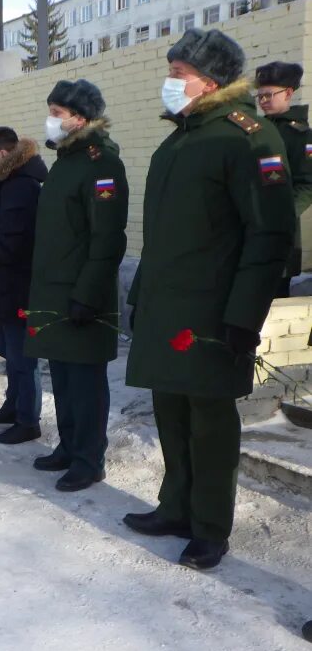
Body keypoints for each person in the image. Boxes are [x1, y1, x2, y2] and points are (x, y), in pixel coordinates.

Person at [124, 29, 295, 570]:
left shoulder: (248, 137)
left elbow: (269, 236)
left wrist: (245, 315)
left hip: (213, 312)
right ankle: (175, 507)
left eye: (178, 74)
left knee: (211, 423)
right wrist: (142, 293)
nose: (168, 83)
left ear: (211, 81)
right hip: (168, 306)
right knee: (170, 411)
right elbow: (163, 234)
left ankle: (210, 527)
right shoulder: (179, 139)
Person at [24, 79, 129, 492]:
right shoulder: (65, 163)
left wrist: (87, 293)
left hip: (82, 293)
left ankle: (89, 459)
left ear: (80, 118)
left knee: (85, 383)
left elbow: (107, 238)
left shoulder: (101, 163)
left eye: (57, 112)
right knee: (63, 377)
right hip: (54, 291)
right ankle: (69, 446)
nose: (51, 119)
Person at [0, 127, 47, 444]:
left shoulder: (22, 189)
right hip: (3, 286)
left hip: (18, 286)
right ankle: (13, 406)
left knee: (22, 358)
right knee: (9, 352)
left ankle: (28, 420)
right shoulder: (7, 186)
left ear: (3, 154)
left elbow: (11, 246)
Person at [255, 61, 312, 298]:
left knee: (271, 305)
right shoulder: (253, 129)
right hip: (246, 231)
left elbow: (308, 183)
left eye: (269, 94)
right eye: (259, 96)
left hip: (278, 234)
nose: (263, 101)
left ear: (288, 93)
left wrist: (282, 214)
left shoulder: (301, 136)